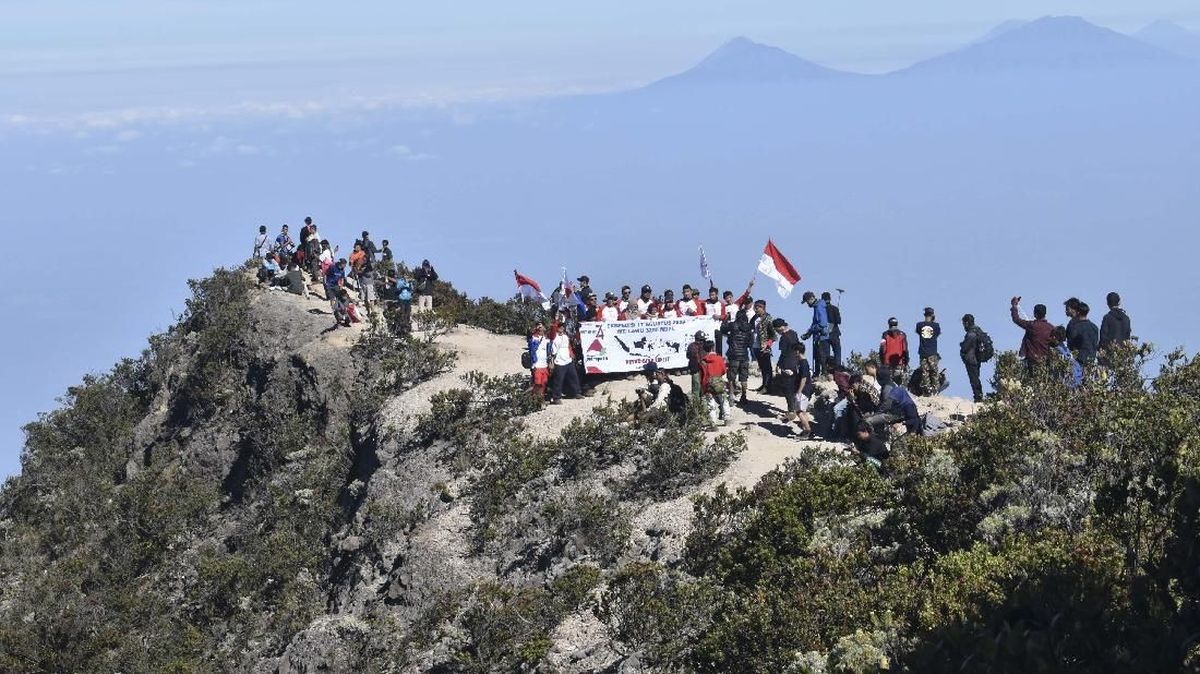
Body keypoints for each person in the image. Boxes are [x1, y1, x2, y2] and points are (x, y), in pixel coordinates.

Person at [720, 308, 754, 404]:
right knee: (744, 377)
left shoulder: (733, 325)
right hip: (744, 355)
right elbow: (750, 344)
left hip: (733, 354)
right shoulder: (749, 328)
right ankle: (744, 396)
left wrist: (726, 319)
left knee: (731, 377)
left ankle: (731, 396)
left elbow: (722, 329)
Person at [1010, 297, 1054, 369]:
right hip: (1046, 363)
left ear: (1035, 314)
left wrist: (1014, 306)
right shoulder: (1051, 328)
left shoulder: (1032, 325)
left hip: (1032, 361)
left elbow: (1016, 319)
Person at [773, 318, 802, 421]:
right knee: (794, 388)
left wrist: (778, 365)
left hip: (787, 365)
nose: (777, 332)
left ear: (780, 328)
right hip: (796, 363)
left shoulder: (784, 338)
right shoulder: (794, 333)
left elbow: (783, 354)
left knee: (788, 389)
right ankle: (795, 409)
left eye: (777, 330)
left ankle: (791, 411)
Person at [800, 291, 832, 378]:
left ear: (811, 299)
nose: (807, 304)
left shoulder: (819, 307)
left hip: (822, 337)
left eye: (807, 302)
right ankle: (818, 374)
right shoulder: (817, 307)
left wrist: (811, 330)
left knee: (822, 358)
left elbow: (822, 323)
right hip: (819, 337)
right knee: (818, 357)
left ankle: (824, 375)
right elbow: (815, 322)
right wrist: (809, 333)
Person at [699, 339, 730, 427]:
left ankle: (713, 423)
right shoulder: (719, 359)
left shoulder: (703, 361)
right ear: (713, 348)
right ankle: (726, 418)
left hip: (708, 383)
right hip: (719, 382)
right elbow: (724, 371)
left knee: (711, 403)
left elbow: (702, 375)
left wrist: (703, 388)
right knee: (724, 400)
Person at [549, 321, 582, 404]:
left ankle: (576, 392)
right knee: (558, 380)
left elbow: (569, 346)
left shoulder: (565, 336)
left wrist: (572, 355)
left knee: (573, 377)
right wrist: (555, 320)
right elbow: (552, 329)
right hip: (559, 360)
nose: (561, 328)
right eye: (559, 327)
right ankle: (556, 397)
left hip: (568, 359)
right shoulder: (554, 336)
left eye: (562, 327)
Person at [1098, 291, 1132, 364]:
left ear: (1107, 304)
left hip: (1109, 355)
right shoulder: (1126, 318)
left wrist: (1101, 355)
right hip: (1123, 355)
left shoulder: (1107, 318)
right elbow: (1128, 336)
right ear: (1119, 302)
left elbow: (1103, 338)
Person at [914, 307, 941, 396]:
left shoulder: (919, 325)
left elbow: (918, 332)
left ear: (924, 315)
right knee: (934, 371)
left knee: (924, 372)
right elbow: (937, 334)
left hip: (923, 351)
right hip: (932, 351)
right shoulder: (936, 326)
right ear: (932, 315)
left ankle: (927, 390)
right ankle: (935, 389)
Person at [751, 300, 777, 393]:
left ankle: (767, 386)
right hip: (755, 345)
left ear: (763, 307)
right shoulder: (754, 318)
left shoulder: (768, 319)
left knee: (767, 367)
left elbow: (774, 335)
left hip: (764, 347)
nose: (756, 309)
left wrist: (767, 344)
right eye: (755, 307)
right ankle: (763, 384)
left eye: (758, 307)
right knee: (762, 367)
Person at [960, 313, 985, 403]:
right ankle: (979, 396)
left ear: (966, 323)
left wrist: (962, 347)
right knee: (976, 377)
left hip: (971, 359)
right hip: (977, 358)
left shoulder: (971, 334)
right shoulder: (978, 330)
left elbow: (965, 347)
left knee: (974, 379)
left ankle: (978, 397)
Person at [792, 341, 815, 438]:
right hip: (805, 390)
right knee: (803, 411)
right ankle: (806, 430)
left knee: (799, 411)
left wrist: (799, 391)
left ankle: (808, 430)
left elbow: (804, 378)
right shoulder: (801, 362)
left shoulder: (803, 363)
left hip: (804, 390)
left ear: (797, 351)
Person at [1067, 301, 1100, 369]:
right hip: (1092, 360)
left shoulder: (1075, 327)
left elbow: (1071, 344)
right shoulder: (1094, 327)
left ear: (1078, 312)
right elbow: (1095, 343)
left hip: (1079, 360)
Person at [528, 324, 552, 402]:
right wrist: (533, 364)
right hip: (537, 365)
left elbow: (553, 334)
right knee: (537, 383)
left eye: (542, 327)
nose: (541, 329)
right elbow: (529, 335)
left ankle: (540, 398)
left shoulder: (546, 339)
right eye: (539, 327)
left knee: (544, 382)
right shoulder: (533, 338)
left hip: (544, 364)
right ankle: (534, 398)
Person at [822, 292, 843, 367]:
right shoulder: (835, 308)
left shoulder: (822, 310)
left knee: (826, 353)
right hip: (834, 332)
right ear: (830, 299)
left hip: (825, 332)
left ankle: (826, 368)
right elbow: (838, 321)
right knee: (837, 351)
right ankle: (838, 367)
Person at [686, 330, 707, 401]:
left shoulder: (705, 347)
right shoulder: (692, 346)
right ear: (696, 339)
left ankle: (703, 404)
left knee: (704, 388)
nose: (701, 342)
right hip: (696, 370)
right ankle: (697, 406)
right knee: (696, 388)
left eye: (703, 340)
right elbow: (689, 356)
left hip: (704, 370)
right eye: (700, 340)